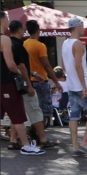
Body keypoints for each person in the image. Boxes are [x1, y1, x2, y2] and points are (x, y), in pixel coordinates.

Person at [8, 20, 59, 149]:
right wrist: (30, 84)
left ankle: (13, 140)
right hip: (28, 83)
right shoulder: (33, 45)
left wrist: (34, 74)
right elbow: (23, 66)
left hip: (15, 84)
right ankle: (42, 139)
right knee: (37, 111)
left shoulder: (18, 44)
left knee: (17, 113)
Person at [0, 12, 45, 155]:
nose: (8, 21)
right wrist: (22, 76)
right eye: (7, 18)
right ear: (2, 20)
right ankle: (26, 145)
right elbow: (11, 64)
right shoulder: (4, 39)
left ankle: (21, 143)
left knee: (13, 114)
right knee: (17, 114)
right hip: (7, 82)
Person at [61, 17, 87, 156]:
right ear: (78, 27)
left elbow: (64, 65)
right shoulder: (78, 43)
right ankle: (84, 142)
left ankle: (75, 146)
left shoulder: (65, 43)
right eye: (83, 25)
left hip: (71, 85)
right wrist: (84, 86)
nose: (84, 28)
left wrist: (73, 77)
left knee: (74, 115)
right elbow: (78, 65)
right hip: (80, 85)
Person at [24, 19, 61, 127]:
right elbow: (47, 65)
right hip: (41, 81)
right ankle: (42, 132)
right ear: (38, 30)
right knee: (45, 109)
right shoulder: (40, 46)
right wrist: (56, 81)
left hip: (30, 80)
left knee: (33, 108)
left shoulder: (24, 44)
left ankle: (35, 131)